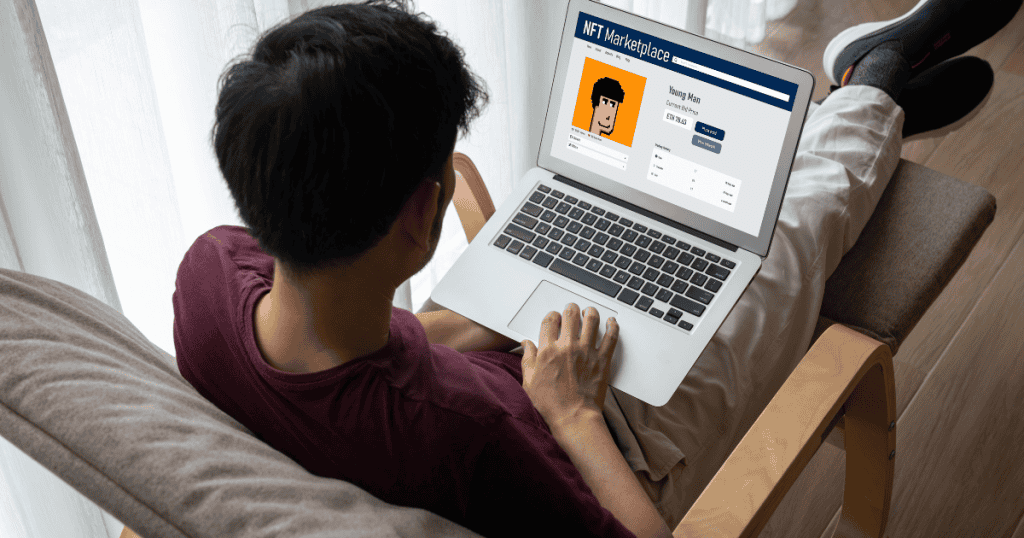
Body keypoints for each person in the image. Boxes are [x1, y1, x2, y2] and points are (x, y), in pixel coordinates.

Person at [172, 0, 1019, 536]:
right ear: (423, 215)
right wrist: (570, 410)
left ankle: (844, 114)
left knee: (666, 208)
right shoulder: (471, 437)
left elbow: (369, 359)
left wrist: (487, 315)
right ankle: (873, 83)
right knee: (790, 232)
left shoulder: (206, 283)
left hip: (496, 353)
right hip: (614, 420)